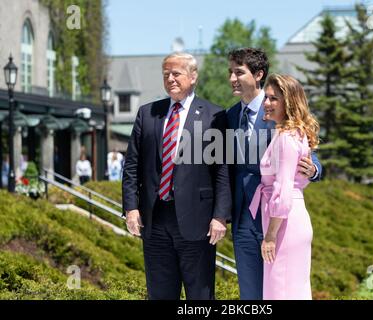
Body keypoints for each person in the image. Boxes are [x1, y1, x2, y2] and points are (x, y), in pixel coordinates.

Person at [122, 52, 231, 300]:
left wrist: (220, 216)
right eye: (166, 74)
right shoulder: (147, 113)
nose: (170, 79)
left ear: (193, 77)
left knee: (200, 296)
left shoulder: (215, 116)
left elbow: (222, 170)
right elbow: (132, 166)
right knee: (160, 293)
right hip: (154, 221)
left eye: (176, 73)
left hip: (198, 222)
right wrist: (131, 208)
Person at [226, 48, 322, 300]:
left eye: (239, 72)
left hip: (276, 218)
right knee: (253, 295)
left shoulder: (280, 115)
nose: (232, 79)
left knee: (280, 290)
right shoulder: (230, 116)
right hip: (243, 218)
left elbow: (308, 158)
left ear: (258, 75)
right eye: (230, 73)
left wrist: (313, 170)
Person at [249, 74, 319, 299]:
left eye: (274, 99)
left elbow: (284, 190)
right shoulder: (294, 134)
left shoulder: (287, 138)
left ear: (289, 102)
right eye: (266, 97)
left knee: (280, 292)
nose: (266, 103)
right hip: (290, 221)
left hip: (284, 226)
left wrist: (269, 236)